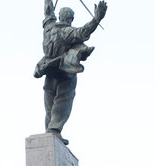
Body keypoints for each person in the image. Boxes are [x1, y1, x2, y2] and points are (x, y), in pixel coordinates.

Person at [34, 0, 107, 144]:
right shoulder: (68, 32)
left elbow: (48, 11)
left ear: (59, 17)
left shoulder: (49, 28)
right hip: (64, 71)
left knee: (49, 101)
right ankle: (54, 129)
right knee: (63, 100)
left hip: (48, 70)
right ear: (71, 19)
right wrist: (97, 18)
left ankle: (50, 129)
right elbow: (84, 31)